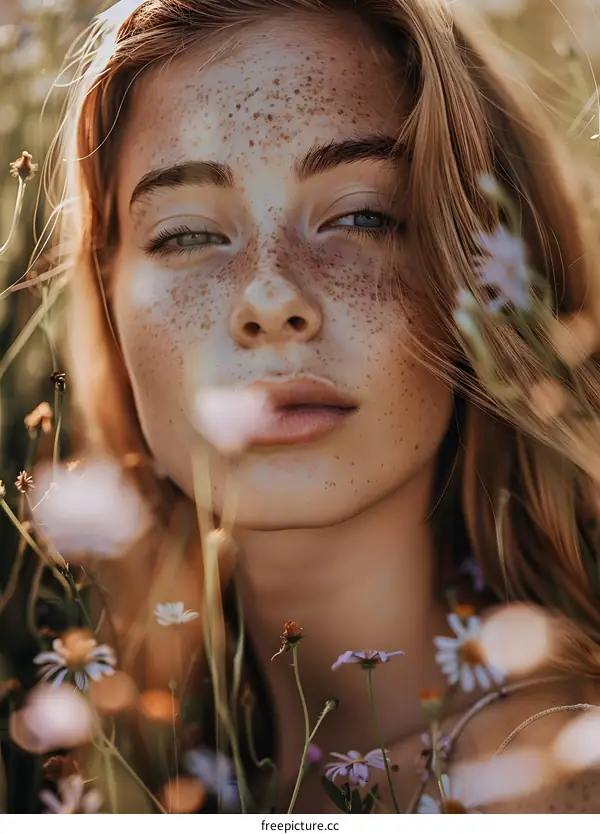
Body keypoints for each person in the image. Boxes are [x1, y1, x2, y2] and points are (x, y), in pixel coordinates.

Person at [33, 0, 600, 813]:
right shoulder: (127, 776)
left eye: (362, 215)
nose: (270, 296)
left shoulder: (562, 780)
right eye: (188, 234)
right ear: (107, 297)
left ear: (488, 278)